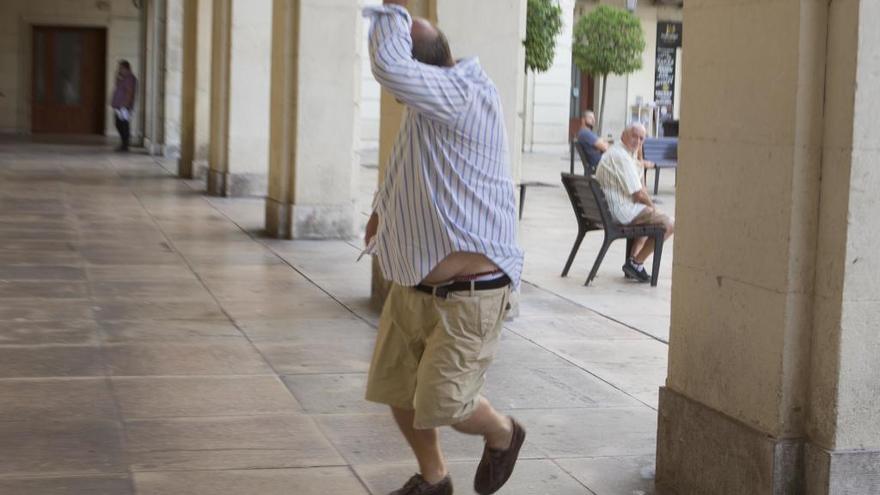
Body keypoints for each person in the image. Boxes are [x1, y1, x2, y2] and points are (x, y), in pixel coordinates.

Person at [362, 2, 526, 494]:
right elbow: (410, 162)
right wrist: (381, 208)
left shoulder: (462, 93)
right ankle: (435, 480)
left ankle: (503, 432)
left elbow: (389, 66)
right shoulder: (427, 106)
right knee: (398, 390)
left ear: (419, 69)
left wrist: (388, 12)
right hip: (414, 283)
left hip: (470, 293)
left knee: (448, 404)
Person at [595, 123, 674, 282]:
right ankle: (637, 263)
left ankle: (632, 265)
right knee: (669, 223)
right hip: (621, 212)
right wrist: (654, 208)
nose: (637, 141)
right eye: (634, 136)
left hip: (611, 210)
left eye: (641, 138)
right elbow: (639, 194)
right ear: (623, 135)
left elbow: (640, 187)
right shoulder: (621, 157)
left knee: (649, 215)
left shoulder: (620, 152)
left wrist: (639, 157)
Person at [111, 60, 137, 152]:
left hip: (124, 107)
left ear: (126, 68)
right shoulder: (123, 78)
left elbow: (129, 92)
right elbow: (118, 87)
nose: (119, 70)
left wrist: (125, 104)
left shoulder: (130, 78)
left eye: (121, 68)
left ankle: (125, 145)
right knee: (118, 124)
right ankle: (123, 143)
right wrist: (117, 77)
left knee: (123, 125)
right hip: (119, 106)